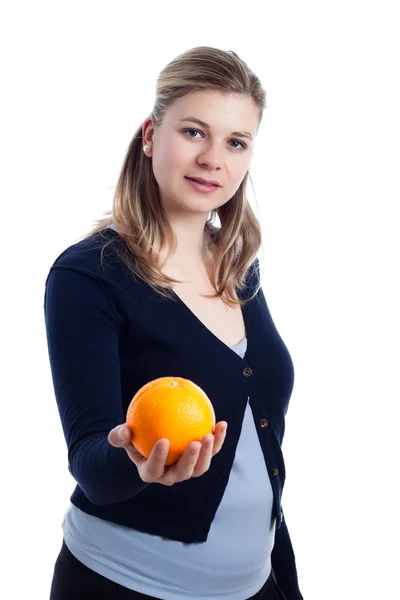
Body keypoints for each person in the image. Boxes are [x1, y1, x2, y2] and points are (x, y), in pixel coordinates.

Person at [44, 46, 303, 600]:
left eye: (236, 142)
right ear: (149, 135)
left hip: (258, 582)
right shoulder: (87, 275)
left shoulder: (238, 263)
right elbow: (90, 463)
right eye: (193, 132)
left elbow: (259, 446)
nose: (214, 158)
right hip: (122, 585)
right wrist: (133, 460)